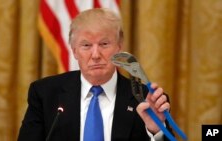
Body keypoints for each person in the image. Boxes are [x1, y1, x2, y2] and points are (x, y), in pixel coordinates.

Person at [18, 8, 173, 141]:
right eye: (86, 45)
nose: (96, 55)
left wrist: (157, 131)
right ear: (74, 51)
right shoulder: (45, 94)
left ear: (119, 47)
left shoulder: (145, 99)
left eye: (104, 44)